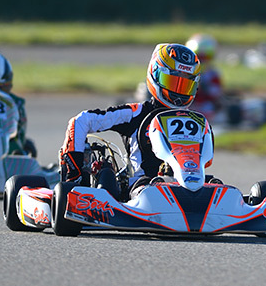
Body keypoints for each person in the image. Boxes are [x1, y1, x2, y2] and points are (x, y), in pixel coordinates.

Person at [59, 42, 218, 200]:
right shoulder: (135, 113)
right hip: (143, 187)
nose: (178, 92)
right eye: (173, 82)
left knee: (215, 185)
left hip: (189, 185)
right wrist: (75, 177)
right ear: (156, 75)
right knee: (149, 191)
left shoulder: (197, 121)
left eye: (185, 85)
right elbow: (81, 121)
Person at [185, 33, 242, 126]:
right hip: (189, 106)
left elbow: (217, 93)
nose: (202, 60)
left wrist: (205, 87)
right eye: (199, 56)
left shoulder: (213, 74)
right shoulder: (185, 74)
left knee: (228, 110)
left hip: (209, 106)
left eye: (205, 57)